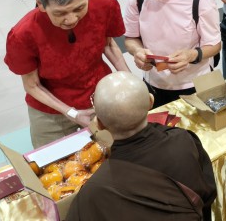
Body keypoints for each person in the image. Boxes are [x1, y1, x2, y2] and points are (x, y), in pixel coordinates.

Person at [4, 0, 128, 147]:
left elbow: (109, 45)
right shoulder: (23, 34)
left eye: (79, 8)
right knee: (55, 159)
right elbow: (32, 85)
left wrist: (129, 81)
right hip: (51, 108)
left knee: (113, 149)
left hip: (100, 94)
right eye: (60, 13)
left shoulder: (105, 5)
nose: (71, 19)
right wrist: (71, 113)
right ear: (40, 4)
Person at [66, 72, 217, 221]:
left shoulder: (93, 192)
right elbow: (208, 195)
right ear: (151, 102)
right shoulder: (184, 140)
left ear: (99, 124)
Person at [124, 0, 221, 108]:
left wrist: (191, 55)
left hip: (194, 83)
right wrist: (138, 52)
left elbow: (214, 45)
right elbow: (131, 38)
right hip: (154, 83)